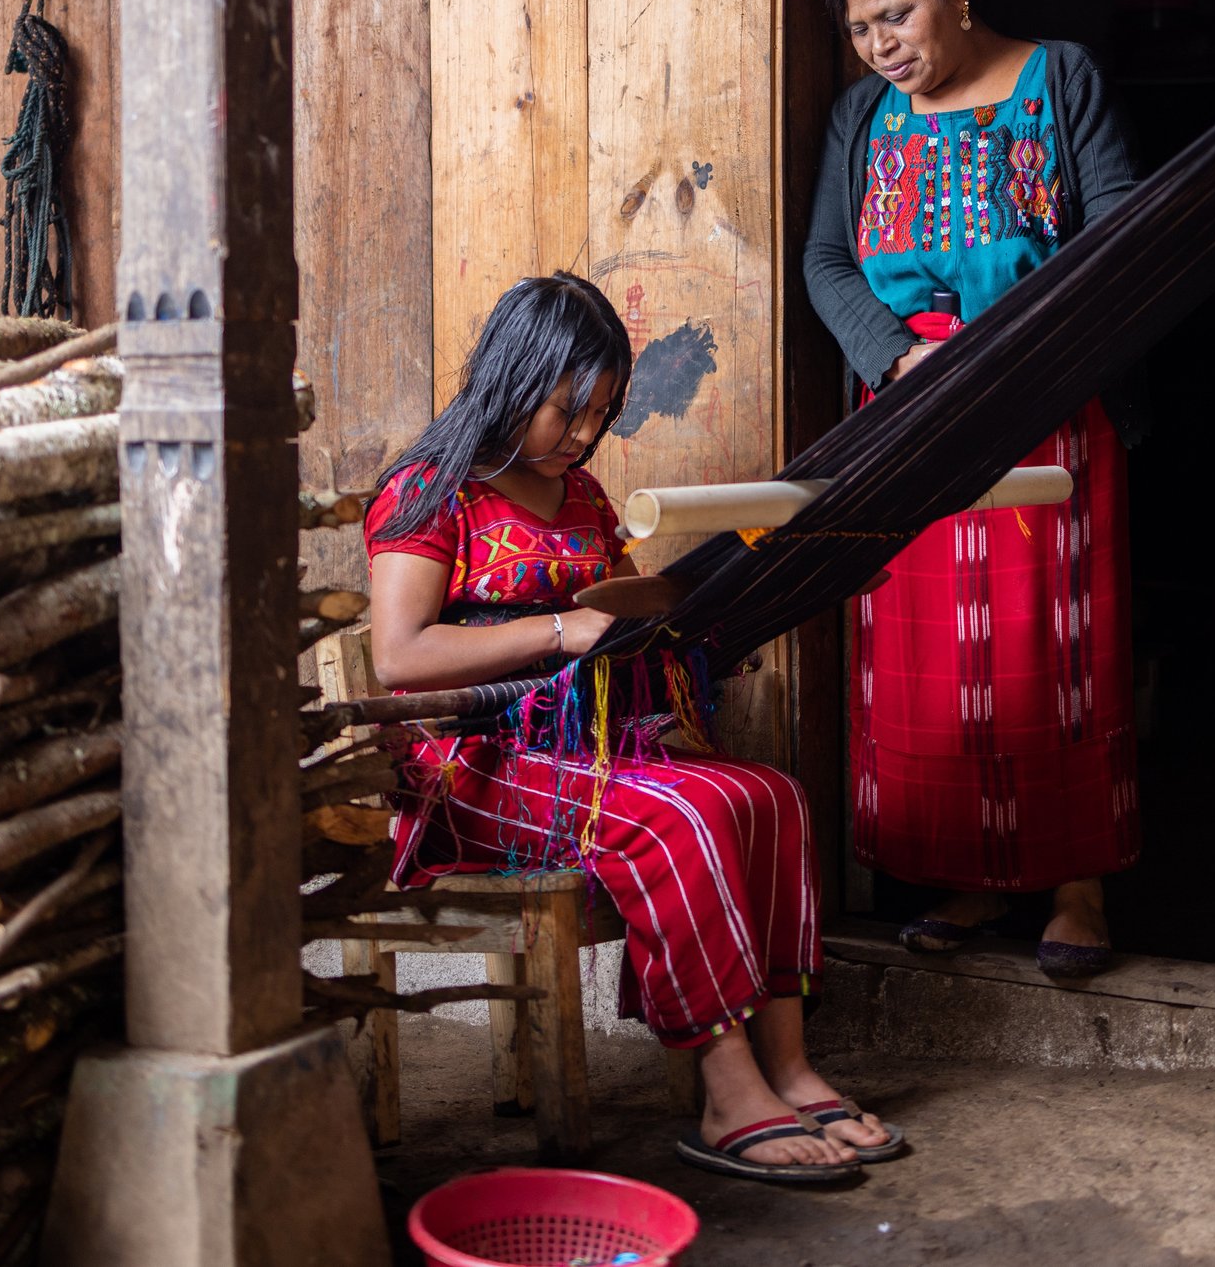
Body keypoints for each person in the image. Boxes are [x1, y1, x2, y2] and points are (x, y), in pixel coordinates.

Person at [364, 272, 900, 1182]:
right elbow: (400, 655)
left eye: (600, 415)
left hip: (581, 746)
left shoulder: (582, 496)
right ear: (510, 376)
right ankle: (727, 1091)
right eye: (566, 409)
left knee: (770, 797)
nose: (580, 435)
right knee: (675, 817)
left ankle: (791, 1065)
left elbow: (622, 616)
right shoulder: (430, 489)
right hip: (471, 768)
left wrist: (701, 630)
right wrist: (558, 629)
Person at [797, 0, 1141, 979]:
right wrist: (900, 358)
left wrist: (1018, 352)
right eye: (861, 29)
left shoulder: (1061, 77)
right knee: (935, 659)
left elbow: (1122, 226)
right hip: (906, 406)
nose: (881, 44)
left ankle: (1073, 883)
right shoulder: (861, 117)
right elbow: (827, 261)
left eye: (896, 14)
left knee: (1054, 647)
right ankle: (968, 875)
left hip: (1042, 395)